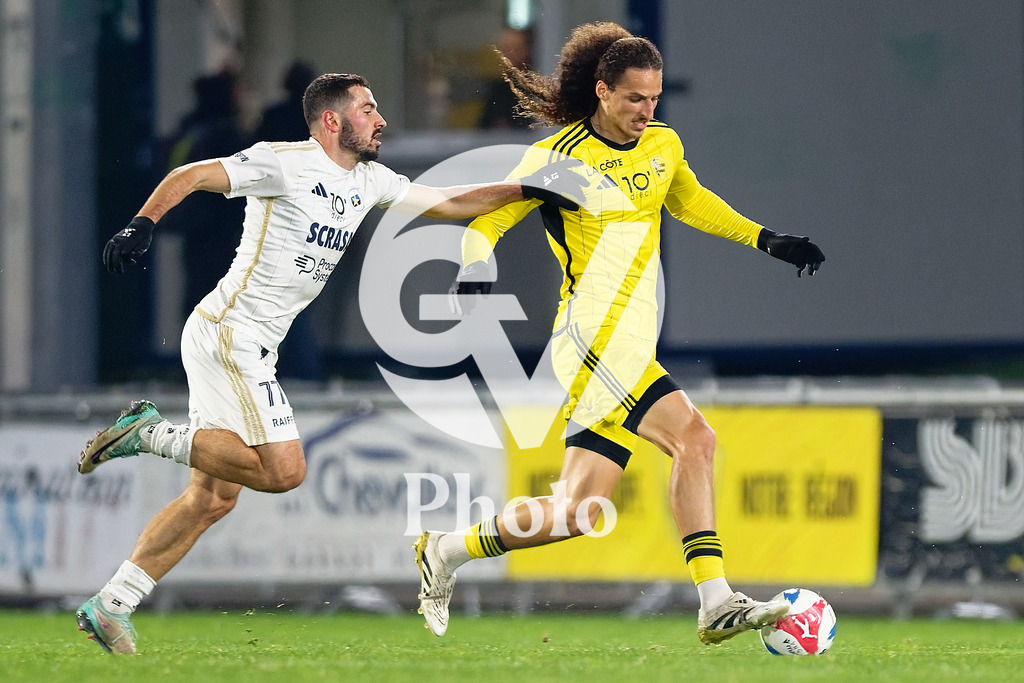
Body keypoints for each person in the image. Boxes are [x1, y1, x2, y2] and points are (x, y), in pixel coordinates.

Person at [74, 72, 586, 655]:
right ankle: (148, 434)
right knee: (284, 471)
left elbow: (451, 203)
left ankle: (110, 602)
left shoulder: (369, 179)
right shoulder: (280, 162)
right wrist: (144, 223)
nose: (381, 119)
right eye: (368, 109)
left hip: (246, 341)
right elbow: (191, 174)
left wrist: (530, 189)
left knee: (212, 498)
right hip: (230, 335)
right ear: (332, 121)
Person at [415, 22, 825, 646]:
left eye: (654, 99)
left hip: (630, 342)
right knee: (696, 437)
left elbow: (691, 202)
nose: (646, 111)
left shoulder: (663, 145)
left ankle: (445, 548)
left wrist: (766, 238)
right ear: (603, 91)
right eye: (635, 98)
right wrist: (474, 272)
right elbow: (487, 223)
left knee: (577, 511)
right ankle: (715, 598)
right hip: (591, 338)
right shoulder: (560, 158)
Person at [478, 27, 535, 130]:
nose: (510, 55)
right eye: (506, 49)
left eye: (516, 49)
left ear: (528, 49)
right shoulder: (499, 90)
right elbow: (485, 127)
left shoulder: (537, 87)